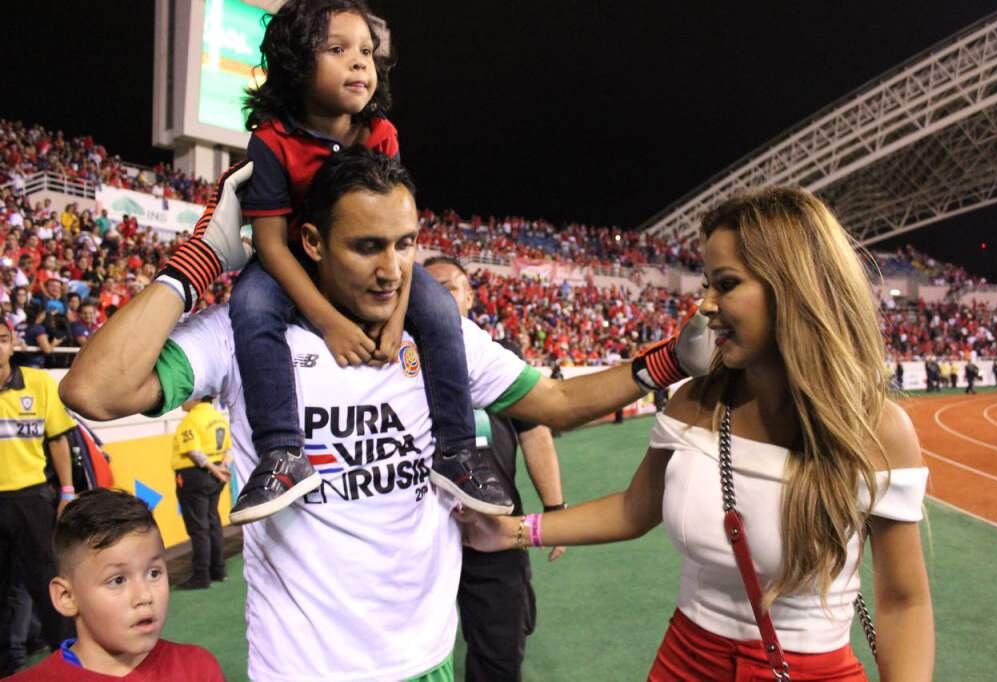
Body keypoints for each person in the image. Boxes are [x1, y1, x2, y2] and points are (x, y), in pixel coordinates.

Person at [59, 150, 715, 681]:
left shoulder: (439, 337)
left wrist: (668, 360)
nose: (392, 270)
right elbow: (95, 391)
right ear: (311, 241)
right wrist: (198, 263)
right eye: (367, 246)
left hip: (424, 661)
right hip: (302, 670)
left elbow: (558, 402)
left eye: (405, 245)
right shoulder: (242, 335)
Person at [458, 187, 934, 681]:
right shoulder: (695, 402)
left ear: (795, 286)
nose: (704, 306)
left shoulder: (878, 430)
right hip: (682, 663)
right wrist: (515, 531)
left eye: (726, 284)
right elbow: (635, 508)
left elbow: (904, 601)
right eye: (706, 284)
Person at [182, 0, 506, 524]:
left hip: (364, 261)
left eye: (366, 52)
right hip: (294, 258)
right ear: (295, 63)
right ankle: (282, 453)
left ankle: (456, 450)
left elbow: (396, 231)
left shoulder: (381, 134)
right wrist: (330, 322)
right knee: (251, 306)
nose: (359, 62)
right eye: (337, 49)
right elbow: (270, 244)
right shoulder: (270, 141)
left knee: (439, 309)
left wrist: (396, 319)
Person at [425, 256, 567, 681]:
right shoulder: (394, 361)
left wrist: (554, 510)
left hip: (494, 527)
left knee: (499, 653)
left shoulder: (499, 357)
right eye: (426, 291)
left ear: (470, 296)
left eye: (448, 288)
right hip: (422, 534)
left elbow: (535, 433)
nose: (437, 299)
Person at [9, 488, 226, 680]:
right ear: (66, 597)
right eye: (118, 580)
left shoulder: (198, 669)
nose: (144, 596)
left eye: (153, 573)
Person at [0, 323, 76, 675]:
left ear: (12, 343)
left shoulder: (40, 382)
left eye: (2, 339)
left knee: (47, 582)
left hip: (32, 499)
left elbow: (58, 440)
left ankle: (69, 658)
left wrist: (67, 491)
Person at [171, 396, 232, 590]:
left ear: (196, 398)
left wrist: (213, 469)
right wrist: (222, 468)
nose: (181, 401)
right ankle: (218, 570)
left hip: (195, 475)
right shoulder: (218, 417)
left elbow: (194, 452)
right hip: (216, 475)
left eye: (186, 397)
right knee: (213, 521)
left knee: (199, 527)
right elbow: (229, 448)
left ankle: (201, 575)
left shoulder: (191, 420)